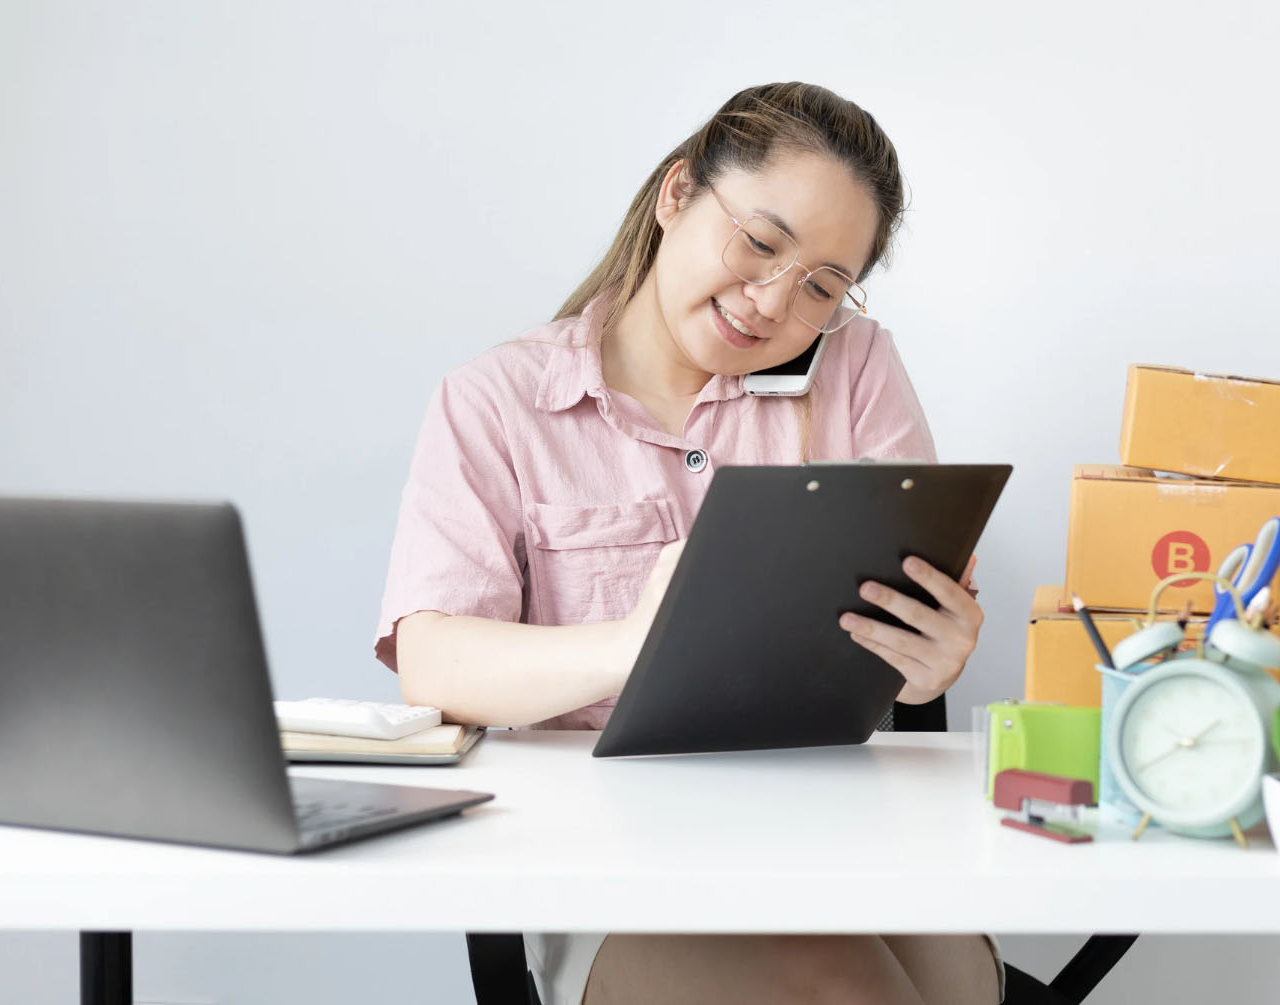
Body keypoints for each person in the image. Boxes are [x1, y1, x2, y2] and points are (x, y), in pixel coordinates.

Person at [374, 81, 1001, 1005]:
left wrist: (931, 660)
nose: (772, 303)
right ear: (678, 196)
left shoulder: (857, 366)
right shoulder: (496, 402)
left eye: (823, 285)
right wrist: (633, 641)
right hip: (610, 860)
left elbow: (907, 642)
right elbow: (431, 660)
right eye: (760, 243)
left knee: (962, 985)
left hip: (835, 826)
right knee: (837, 987)